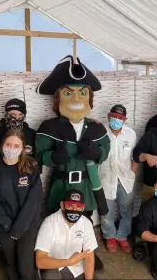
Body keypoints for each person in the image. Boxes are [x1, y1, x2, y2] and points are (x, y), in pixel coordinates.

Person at [35, 55, 111, 271]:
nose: (76, 97)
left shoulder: (96, 127)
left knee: (85, 218)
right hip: (61, 183)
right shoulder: (49, 127)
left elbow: (106, 150)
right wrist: (52, 158)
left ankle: (88, 255)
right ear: (59, 98)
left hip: (87, 184)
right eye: (69, 92)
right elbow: (40, 155)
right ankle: (54, 257)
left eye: (82, 92)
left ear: (89, 97)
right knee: (57, 218)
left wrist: (96, 153)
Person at [0, 98, 36, 279]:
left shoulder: (31, 165)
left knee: (26, 265)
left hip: (26, 223)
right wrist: (5, 223)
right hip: (3, 222)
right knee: (10, 262)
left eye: (17, 146)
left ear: (23, 148)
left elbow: (34, 197)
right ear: (2, 145)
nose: (11, 149)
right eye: (8, 145)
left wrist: (20, 225)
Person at [98, 104, 138, 253]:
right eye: (114, 116)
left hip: (126, 179)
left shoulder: (130, 134)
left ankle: (122, 237)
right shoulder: (100, 133)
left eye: (120, 118)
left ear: (125, 119)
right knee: (105, 210)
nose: (116, 120)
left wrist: (132, 174)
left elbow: (135, 156)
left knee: (126, 209)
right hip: (106, 178)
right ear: (109, 116)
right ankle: (109, 237)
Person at [35, 189, 97, 280]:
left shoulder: (86, 223)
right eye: (70, 206)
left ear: (83, 208)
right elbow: (40, 261)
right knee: (51, 276)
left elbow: (89, 257)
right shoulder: (49, 223)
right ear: (62, 205)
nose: (74, 210)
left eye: (78, 207)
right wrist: (69, 262)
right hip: (54, 269)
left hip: (77, 270)